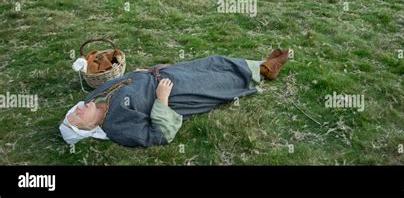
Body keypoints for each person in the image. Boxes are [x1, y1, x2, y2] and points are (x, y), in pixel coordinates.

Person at [60, 50, 290, 147]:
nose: (78, 110)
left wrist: (142, 72)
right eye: (76, 119)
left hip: (161, 75)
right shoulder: (116, 127)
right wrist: (162, 99)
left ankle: (258, 64)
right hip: (174, 94)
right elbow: (159, 135)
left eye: (73, 112)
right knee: (218, 82)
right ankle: (264, 70)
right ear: (88, 128)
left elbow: (123, 80)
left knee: (213, 61)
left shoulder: (94, 96)